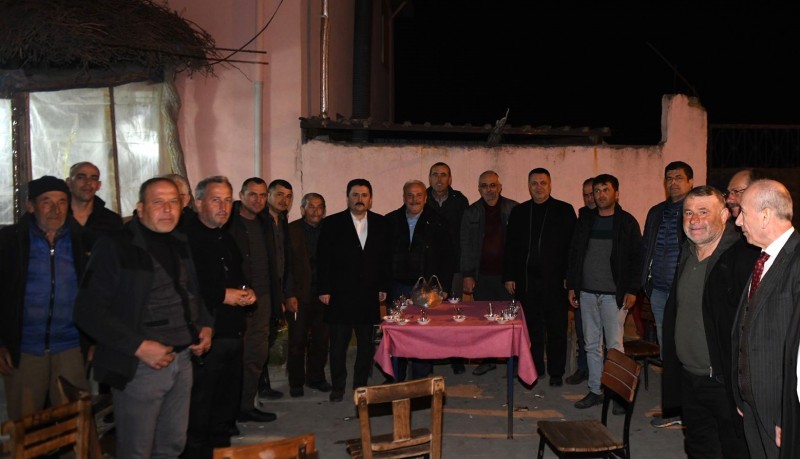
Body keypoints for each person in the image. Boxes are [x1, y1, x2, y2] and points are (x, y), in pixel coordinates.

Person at [73, 177, 213, 459]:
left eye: (174, 202)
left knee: (172, 445)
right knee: (137, 450)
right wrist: (138, 346)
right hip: (140, 366)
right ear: (140, 208)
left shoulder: (179, 241)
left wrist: (205, 325)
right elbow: (87, 311)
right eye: (158, 202)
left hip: (183, 359)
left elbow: (193, 291)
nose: (168, 209)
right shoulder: (116, 246)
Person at [661, 186, 756, 458]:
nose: (694, 220)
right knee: (699, 449)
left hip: (724, 384)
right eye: (688, 213)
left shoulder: (742, 259)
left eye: (704, 212)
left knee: (735, 450)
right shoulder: (687, 253)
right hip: (689, 378)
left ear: (724, 215)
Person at [180, 176, 264, 458]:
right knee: (200, 409)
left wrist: (246, 292)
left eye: (228, 200)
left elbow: (236, 275)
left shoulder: (225, 236)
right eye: (216, 200)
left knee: (225, 410)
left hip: (232, 331)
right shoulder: (185, 238)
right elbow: (185, 286)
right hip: (205, 335)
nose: (223, 207)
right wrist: (222, 294)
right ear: (198, 202)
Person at [0, 176, 94, 421]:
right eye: (46, 202)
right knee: (26, 426)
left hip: (71, 346)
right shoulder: (9, 242)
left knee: (76, 423)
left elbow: (97, 293)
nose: (55, 209)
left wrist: (94, 339)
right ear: (31, 206)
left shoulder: (83, 241)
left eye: (62, 202)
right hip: (24, 349)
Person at [732, 179, 799, 459]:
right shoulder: (764, 258)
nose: (737, 221)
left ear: (765, 215)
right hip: (753, 404)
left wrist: (792, 417)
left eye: (743, 213)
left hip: (781, 412)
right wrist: (742, 394)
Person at [567, 174, 642, 409]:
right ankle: (595, 390)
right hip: (587, 293)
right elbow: (575, 254)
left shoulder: (627, 222)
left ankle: (618, 395)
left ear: (616, 194)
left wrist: (632, 289)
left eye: (605, 190)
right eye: (597, 191)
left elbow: (636, 258)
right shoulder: (586, 221)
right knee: (591, 345)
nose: (600, 195)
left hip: (614, 296)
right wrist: (573, 285)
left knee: (614, 347)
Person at [317, 179, 391, 402]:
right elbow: (323, 259)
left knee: (366, 346)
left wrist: (383, 286)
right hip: (339, 295)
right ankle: (338, 386)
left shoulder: (381, 223)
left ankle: (360, 385)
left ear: (370, 199)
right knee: (338, 345)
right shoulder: (332, 223)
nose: (360, 199)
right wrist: (324, 289)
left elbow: (385, 259)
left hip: (368, 295)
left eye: (364, 195)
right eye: (355, 195)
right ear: (347, 197)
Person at [503, 168, 576, 387]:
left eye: (543, 183)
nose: (539, 187)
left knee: (557, 329)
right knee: (532, 329)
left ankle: (556, 372)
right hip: (527, 282)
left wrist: (570, 276)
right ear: (529, 186)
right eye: (534, 183)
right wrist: (509, 276)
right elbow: (510, 247)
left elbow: (573, 248)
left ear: (550, 185)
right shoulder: (519, 212)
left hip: (556, 282)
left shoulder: (564, 210)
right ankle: (534, 368)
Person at [387, 180, 454, 381]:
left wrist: (443, 286)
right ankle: (396, 377)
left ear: (425, 198)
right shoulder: (390, 221)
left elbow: (448, 258)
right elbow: (382, 256)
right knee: (398, 332)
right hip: (397, 285)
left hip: (426, 289)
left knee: (422, 333)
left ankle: (421, 379)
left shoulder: (439, 222)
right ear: (403, 197)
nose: (414, 199)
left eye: (418, 195)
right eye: (410, 195)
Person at [227, 178, 283, 418]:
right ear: (241, 195)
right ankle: (230, 408)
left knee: (256, 354)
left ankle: (246, 405)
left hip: (263, 298)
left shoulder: (265, 222)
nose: (258, 200)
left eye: (262, 195)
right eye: (252, 194)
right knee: (234, 356)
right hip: (236, 300)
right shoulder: (229, 222)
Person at [460, 170, 518, 376]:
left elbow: (519, 246)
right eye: (484, 186)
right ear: (479, 189)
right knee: (486, 320)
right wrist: (468, 274)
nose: (489, 190)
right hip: (482, 276)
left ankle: (514, 361)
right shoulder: (471, 212)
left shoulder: (514, 209)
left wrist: (514, 274)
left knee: (510, 320)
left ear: (500, 187)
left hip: (507, 278)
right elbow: (465, 245)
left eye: (493, 185)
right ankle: (488, 359)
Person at [640, 161, 693, 356]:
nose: (673, 183)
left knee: (685, 338)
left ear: (690, 182)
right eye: (669, 179)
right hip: (658, 289)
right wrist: (645, 282)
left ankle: (684, 376)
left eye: (679, 178)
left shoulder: (695, 212)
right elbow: (646, 247)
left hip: (684, 290)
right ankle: (669, 374)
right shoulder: (656, 212)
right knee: (664, 338)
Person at [256, 179, 299, 400]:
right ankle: (259, 385)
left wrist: (287, 294)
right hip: (262, 290)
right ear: (268, 196)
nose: (284, 200)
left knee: (269, 336)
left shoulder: (282, 220)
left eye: (288, 196)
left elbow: (286, 260)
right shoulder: (259, 220)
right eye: (280, 194)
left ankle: (262, 383)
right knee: (260, 339)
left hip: (278, 288)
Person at [286, 193, 332, 397]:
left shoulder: (329, 230)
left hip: (324, 295)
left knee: (321, 339)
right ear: (302, 209)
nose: (316, 211)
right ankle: (296, 382)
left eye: (319, 207)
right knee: (297, 340)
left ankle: (316, 378)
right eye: (311, 207)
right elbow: (285, 266)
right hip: (299, 295)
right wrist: (288, 294)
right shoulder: (291, 231)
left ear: (324, 210)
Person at [426, 162, 469, 374]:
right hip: (429, 266)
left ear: (450, 179)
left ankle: (456, 356)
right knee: (430, 312)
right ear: (429, 178)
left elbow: (466, 234)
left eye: (443, 175)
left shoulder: (460, 201)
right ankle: (430, 355)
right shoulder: (422, 198)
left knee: (454, 312)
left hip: (455, 266)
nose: (439, 179)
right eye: (435, 174)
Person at [566, 177, 595, 385]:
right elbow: (574, 254)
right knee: (583, 332)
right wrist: (572, 285)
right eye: (586, 195)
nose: (590, 198)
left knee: (605, 338)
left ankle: (605, 375)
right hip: (582, 288)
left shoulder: (617, 219)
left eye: (593, 193)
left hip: (607, 290)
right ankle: (584, 369)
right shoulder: (581, 219)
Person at [66, 161, 123, 233]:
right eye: (81, 177)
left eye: (94, 178)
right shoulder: (58, 216)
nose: (88, 182)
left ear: (98, 185)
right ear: (69, 182)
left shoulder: (112, 220)